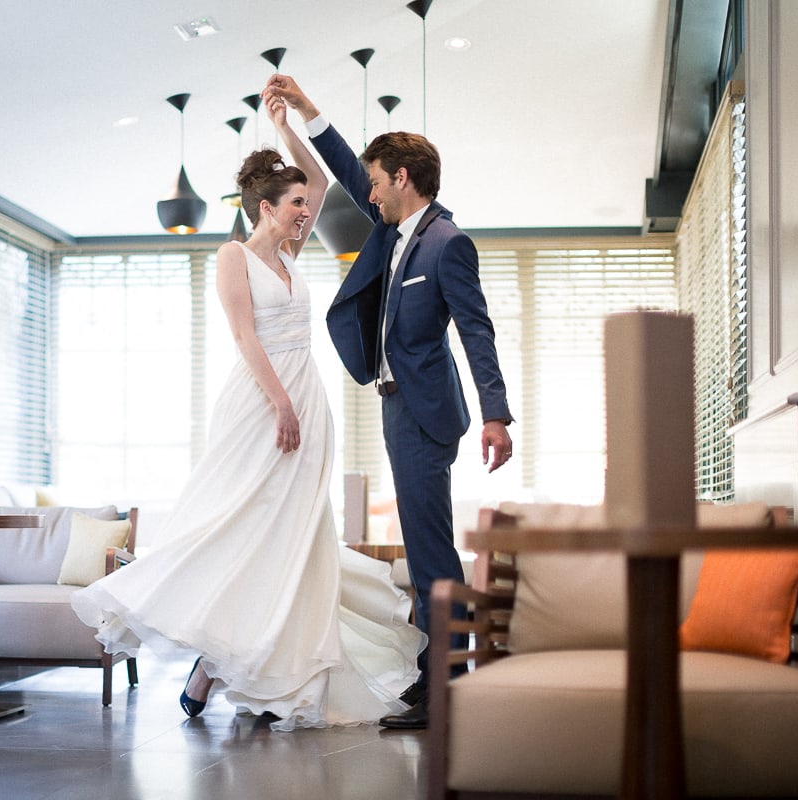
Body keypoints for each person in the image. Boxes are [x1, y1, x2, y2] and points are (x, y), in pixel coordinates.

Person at [71, 93, 425, 731]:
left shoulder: (292, 254)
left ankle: (265, 676)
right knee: (241, 529)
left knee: (291, 538)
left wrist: (286, 128)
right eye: (293, 206)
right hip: (261, 404)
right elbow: (244, 338)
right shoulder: (234, 256)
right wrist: (282, 403)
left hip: (306, 402)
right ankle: (213, 661)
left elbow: (315, 178)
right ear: (267, 208)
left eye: (303, 207)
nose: (305, 212)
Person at [264, 73, 514, 729]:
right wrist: (309, 113)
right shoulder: (394, 230)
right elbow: (347, 168)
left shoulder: (446, 242)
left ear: (403, 177)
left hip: (427, 414)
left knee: (431, 553)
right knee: (424, 545)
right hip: (396, 407)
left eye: (378, 182)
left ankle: (446, 688)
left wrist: (495, 414)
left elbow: (476, 329)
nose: (368, 193)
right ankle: (437, 675)